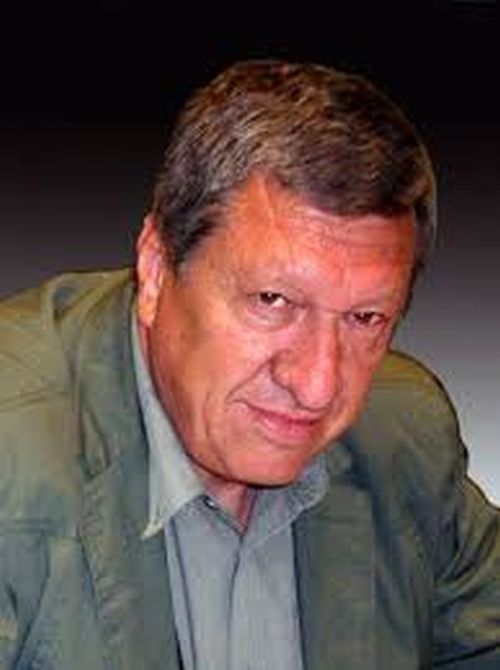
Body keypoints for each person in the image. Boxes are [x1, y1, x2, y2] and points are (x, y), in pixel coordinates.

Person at [0, 59, 499, 670]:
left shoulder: (404, 438)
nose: (317, 385)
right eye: (273, 301)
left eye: (365, 318)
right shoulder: (13, 462)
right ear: (156, 269)